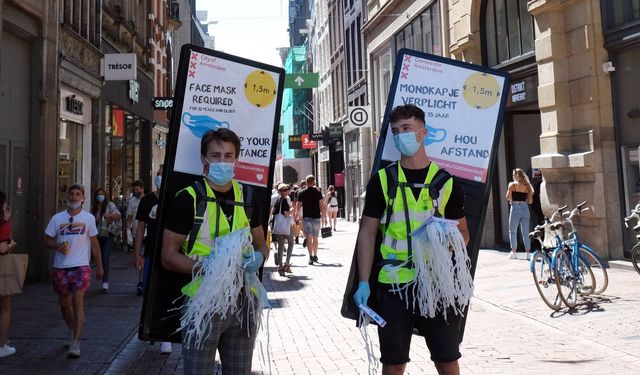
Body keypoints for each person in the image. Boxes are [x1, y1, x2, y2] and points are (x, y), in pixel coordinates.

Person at [354, 104, 470, 375]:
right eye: (395, 131)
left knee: (447, 360)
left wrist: (445, 241)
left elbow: (464, 234)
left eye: (407, 129)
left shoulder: (447, 182)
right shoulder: (382, 181)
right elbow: (368, 233)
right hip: (393, 284)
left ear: (423, 133)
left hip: (437, 283)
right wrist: (362, 283)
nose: (400, 136)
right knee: (393, 364)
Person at [161, 128, 268, 374]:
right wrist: (206, 267)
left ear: (237, 159)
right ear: (204, 159)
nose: (223, 162)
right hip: (203, 301)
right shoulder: (187, 199)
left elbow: (262, 242)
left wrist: (260, 257)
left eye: (229, 156)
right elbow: (168, 256)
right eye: (216, 155)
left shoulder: (249, 196)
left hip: (244, 302)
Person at [44, 184, 104, 358]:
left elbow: (94, 243)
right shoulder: (57, 218)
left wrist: (100, 266)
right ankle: (71, 328)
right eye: (71, 194)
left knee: (78, 300)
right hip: (61, 266)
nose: (74, 197)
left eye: (78, 194)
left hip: (81, 266)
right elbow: (46, 240)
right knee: (64, 303)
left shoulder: (88, 219)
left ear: (83, 198)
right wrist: (56, 245)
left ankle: (76, 343)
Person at [134, 164, 172, 354]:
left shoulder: (175, 199)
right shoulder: (147, 200)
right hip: (150, 253)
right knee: (149, 292)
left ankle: (165, 336)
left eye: (162, 174)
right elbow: (140, 227)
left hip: (170, 255)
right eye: (158, 174)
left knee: (166, 293)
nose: (159, 177)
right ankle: (150, 328)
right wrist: (137, 253)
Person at [91, 188, 121, 293]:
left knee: (105, 257)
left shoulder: (110, 205)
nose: (100, 196)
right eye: (98, 194)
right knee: (98, 257)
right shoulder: (94, 207)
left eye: (101, 194)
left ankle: (105, 282)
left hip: (108, 234)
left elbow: (118, 215)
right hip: (97, 235)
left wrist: (109, 215)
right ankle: (100, 274)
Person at [0, 191, 18, 358]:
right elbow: (2, 248)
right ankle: (1, 344)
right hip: (1, 268)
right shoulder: (4, 225)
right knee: (4, 308)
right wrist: (11, 245)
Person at [505, 168, 534, 260]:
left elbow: (508, 197)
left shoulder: (512, 184)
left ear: (517, 175)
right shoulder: (527, 185)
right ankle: (528, 253)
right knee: (526, 232)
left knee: (512, 231)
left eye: (514, 174)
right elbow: (530, 201)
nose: (513, 176)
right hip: (525, 209)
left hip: (515, 208)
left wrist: (513, 199)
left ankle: (514, 253)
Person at [296, 175, 325, 265]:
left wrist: (297, 215)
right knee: (315, 237)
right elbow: (321, 205)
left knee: (309, 236)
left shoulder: (302, 192)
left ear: (306, 181)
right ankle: (315, 255)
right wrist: (324, 216)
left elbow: (298, 204)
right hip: (316, 217)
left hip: (307, 217)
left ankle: (310, 256)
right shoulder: (317, 192)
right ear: (313, 182)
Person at [272, 183, 294, 276]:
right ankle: (287, 263)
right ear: (282, 192)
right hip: (285, 226)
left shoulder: (277, 200)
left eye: (286, 190)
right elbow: (286, 214)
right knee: (291, 243)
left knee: (281, 245)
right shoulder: (284, 200)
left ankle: (280, 267)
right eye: (285, 190)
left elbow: (273, 212)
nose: (286, 192)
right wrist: (292, 210)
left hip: (278, 226)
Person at [126, 180, 145, 253]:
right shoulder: (132, 201)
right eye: (134, 190)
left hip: (147, 233)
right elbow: (129, 217)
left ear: (142, 189)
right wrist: (128, 230)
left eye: (137, 189)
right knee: (138, 254)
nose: (136, 191)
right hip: (135, 233)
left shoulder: (147, 199)